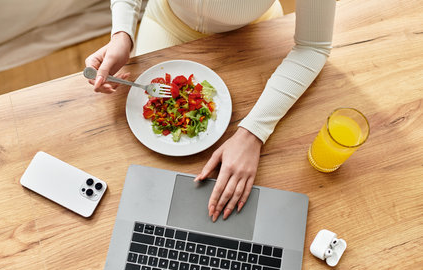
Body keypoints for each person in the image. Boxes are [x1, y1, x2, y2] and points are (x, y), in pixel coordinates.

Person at [85, 0, 336, 222]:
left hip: (248, 37)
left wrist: (253, 132)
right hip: (164, 23)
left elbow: (313, 47)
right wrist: (122, 33)